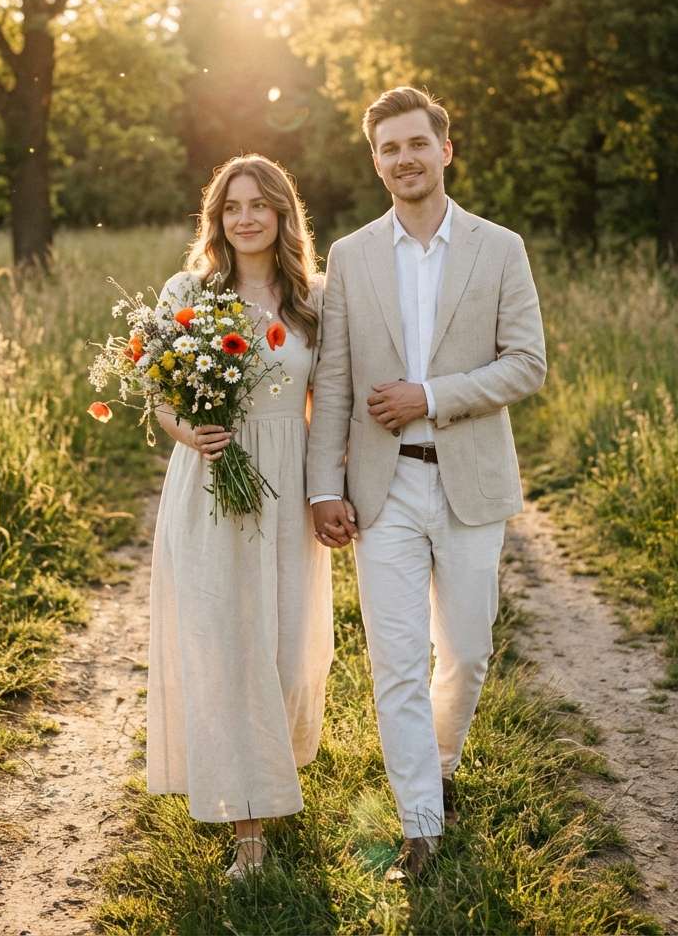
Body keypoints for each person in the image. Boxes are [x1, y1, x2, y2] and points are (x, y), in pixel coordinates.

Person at [307, 86, 546, 883]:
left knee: (467, 653)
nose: (404, 158)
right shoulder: (350, 256)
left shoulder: (499, 248)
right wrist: (324, 487)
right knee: (398, 661)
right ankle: (419, 825)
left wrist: (431, 396)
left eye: (417, 144)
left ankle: (441, 765)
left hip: (470, 481)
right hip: (383, 488)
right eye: (389, 148)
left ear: (445, 150)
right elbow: (333, 383)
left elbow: (526, 364)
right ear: (375, 162)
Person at [146, 154, 335, 878]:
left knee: (286, 651)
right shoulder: (188, 292)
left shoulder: (315, 298)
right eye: (232, 207)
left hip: (287, 484)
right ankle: (247, 831)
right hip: (211, 481)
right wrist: (191, 433)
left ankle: (269, 777)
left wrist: (330, 490)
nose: (246, 218)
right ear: (216, 219)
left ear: (284, 213)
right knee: (226, 651)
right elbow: (160, 396)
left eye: (259, 205)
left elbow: (332, 402)